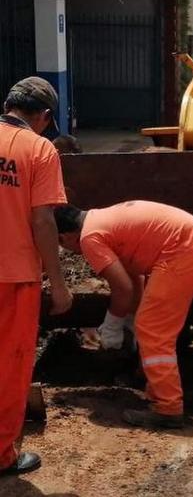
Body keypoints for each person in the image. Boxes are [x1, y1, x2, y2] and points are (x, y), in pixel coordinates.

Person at [53, 201, 193, 429]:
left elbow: (122, 289)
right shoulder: (102, 222)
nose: (69, 251)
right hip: (191, 246)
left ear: (66, 236)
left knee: (152, 328)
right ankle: (155, 388)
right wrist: (130, 320)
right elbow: (133, 279)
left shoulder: (89, 238)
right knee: (149, 324)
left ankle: (168, 409)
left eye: (61, 245)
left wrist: (112, 325)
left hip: (183, 251)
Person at [0, 77, 73, 477]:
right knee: (9, 367)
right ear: (44, 117)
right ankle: (1, 455)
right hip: (14, 276)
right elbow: (43, 220)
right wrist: (58, 283)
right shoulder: (39, 148)